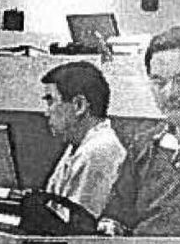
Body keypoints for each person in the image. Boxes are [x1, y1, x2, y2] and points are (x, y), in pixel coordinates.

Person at [99, 25, 180, 237]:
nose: (169, 93)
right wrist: (111, 225)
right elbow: (117, 214)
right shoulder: (142, 145)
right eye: (159, 82)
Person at [40, 61, 126, 217]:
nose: (47, 113)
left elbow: (77, 224)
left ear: (79, 105)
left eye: (51, 101)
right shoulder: (78, 145)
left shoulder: (100, 149)